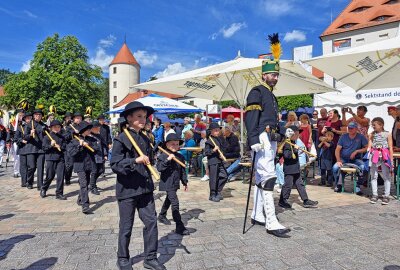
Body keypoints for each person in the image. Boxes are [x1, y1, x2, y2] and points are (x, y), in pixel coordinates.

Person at [110, 101, 165, 270]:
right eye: (139, 117)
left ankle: (150, 257)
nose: (143, 119)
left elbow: (151, 158)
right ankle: (123, 258)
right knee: (126, 226)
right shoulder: (121, 139)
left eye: (144, 116)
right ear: (129, 118)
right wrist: (135, 160)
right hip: (128, 189)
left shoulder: (145, 137)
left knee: (151, 222)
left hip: (145, 188)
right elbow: (115, 165)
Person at [245, 33, 289, 238]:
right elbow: (251, 117)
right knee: (269, 176)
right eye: (273, 75)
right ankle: (271, 221)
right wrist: (253, 139)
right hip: (261, 138)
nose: (276, 78)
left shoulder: (271, 95)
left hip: (270, 138)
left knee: (263, 177)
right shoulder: (257, 92)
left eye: (277, 75)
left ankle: (257, 214)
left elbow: (272, 120)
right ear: (264, 75)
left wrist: (282, 131)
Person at [156, 133, 189, 235]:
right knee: (175, 202)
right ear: (167, 145)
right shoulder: (163, 156)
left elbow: (183, 171)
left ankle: (161, 215)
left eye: (177, 144)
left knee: (169, 199)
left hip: (175, 183)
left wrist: (184, 182)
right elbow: (159, 168)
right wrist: (168, 159)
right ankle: (179, 226)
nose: (175, 146)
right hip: (167, 183)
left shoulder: (180, 156)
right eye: (172, 144)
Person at [278, 126, 318, 209]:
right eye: (296, 133)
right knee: (288, 185)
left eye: (298, 133)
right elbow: (286, 155)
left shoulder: (293, 142)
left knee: (300, 184)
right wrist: (296, 150)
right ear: (291, 134)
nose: (298, 134)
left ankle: (306, 200)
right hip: (289, 168)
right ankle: (282, 200)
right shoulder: (287, 143)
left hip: (295, 167)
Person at [68, 121, 98, 214]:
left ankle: (80, 199)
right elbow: (71, 153)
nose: (89, 131)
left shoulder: (91, 139)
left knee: (86, 183)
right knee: (83, 183)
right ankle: (85, 205)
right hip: (80, 165)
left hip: (89, 164)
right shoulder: (74, 141)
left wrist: (88, 145)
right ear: (83, 130)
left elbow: (96, 150)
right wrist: (79, 145)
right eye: (88, 129)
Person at [332, 122, 368, 195]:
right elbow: (337, 150)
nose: (350, 129)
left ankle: (358, 185)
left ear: (356, 129)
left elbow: (367, 147)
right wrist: (338, 161)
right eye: (349, 128)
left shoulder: (361, 137)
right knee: (335, 167)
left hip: (356, 159)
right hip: (344, 159)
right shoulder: (343, 137)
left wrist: (357, 151)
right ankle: (339, 184)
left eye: (352, 128)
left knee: (364, 167)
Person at [368, 117, 393, 205]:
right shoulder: (372, 134)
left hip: (384, 156)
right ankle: (375, 194)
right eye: (372, 125)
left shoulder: (387, 134)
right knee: (373, 175)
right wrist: (369, 146)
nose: (373, 126)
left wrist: (391, 159)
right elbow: (370, 145)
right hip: (374, 156)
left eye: (374, 125)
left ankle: (386, 195)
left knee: (386, 175)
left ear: (381, 125)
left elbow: (390, 147)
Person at [40, 120, 67, 200]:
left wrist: (60, 147)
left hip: (60, 159)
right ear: (51, 128)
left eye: (58, 127)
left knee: (60, 176)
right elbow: (44, 148)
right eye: (55, 127)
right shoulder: (47, 137)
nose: (57, 128)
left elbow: (65, 147)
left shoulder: (62, 137)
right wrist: (51, 145)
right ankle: (44, 188)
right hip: (50, 158)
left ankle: (59, 193)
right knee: (50, 176)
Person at [204, 122, 227, 202]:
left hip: (219, 160)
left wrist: (222, 154)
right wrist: (213, 150)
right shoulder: (209, 141)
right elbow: (206, 152)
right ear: (211, 131)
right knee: (213, 178)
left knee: (224, 175)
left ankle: (218, 191)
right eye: (216, 130)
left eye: (218, 130)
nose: (217, 132)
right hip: (213, 161)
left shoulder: (218, 139)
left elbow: (223, 148)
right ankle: (212, 194)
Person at [24, 109, 46, 190]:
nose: (38, 116)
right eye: (36, 115)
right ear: (33, 116)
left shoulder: (43, 125)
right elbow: (25, 137)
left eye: (40, 115)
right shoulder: (29, 125)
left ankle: (40, 185)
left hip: (41, 149)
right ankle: (29, 182)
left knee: (40, 168)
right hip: (31, 149)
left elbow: (47, 136)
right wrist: (30, 133)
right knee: (32, 167)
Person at [63, 112, 82, 186]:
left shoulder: (82, 126)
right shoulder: (68, 127)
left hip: (80, 146)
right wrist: (73, 132)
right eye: (77, 118)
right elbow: (65, 137)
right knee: (69, 165)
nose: (79, 120)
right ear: (73, 119)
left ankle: (81, 179)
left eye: (80, 118)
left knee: (80, 163)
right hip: (70, 148)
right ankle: (67, 178)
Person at [89, 120, 108, 195]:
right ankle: (93, 187)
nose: (99, 129)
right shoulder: (89, 136)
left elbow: (103, 146)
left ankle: (92, 182)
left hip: (100, 156)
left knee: (100, 171)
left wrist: (105, 154)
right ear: (93, 128)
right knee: (94, 172)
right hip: (93, 157)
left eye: (99, 128)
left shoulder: (99, 136)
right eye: (97, 128)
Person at [14, 112, 31, 187]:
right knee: (23, 166)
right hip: (23, 149)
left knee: (31, 166)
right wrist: (21, 140)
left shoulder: (33, 127)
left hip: (31, 149)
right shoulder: (20, 127)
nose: (28, 120)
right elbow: (16, 138)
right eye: (27, 118)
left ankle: (29, 180)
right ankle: (24, 181)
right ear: (24, 119)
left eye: (29, 118)